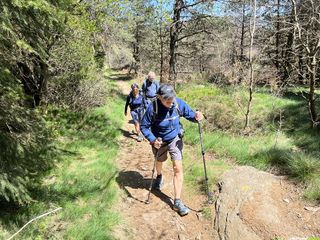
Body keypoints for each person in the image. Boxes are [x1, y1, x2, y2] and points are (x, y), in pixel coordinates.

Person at [140, 84, 204, 216]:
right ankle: (159, 176)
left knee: (177, 168)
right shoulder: (153, 107)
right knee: (159, 160)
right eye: (167, 100)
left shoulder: (177, 103)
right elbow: (144, 126)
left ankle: (177, 201)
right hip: (159, 140)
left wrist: (196, 116)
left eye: (172, 99)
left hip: (175, 139)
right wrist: (152, 139)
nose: (170, 102)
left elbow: (190, 114)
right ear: (159, 98)